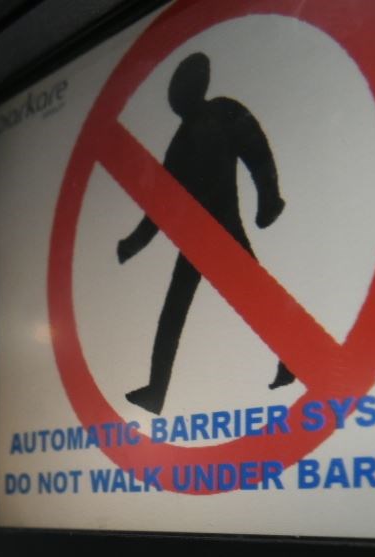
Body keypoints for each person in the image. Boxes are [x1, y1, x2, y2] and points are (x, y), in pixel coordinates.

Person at [116, 51, 291, 415]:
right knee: (181, 310)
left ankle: (295, 360)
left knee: (256, 300)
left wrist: (269, 200)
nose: (174, 95)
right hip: (196, 239)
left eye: (180, 86)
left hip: (221, 230)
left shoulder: (222, 112)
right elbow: (162, 204)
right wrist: (134, 243)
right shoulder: (181, 138)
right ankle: (157, 391)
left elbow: (256, 153)